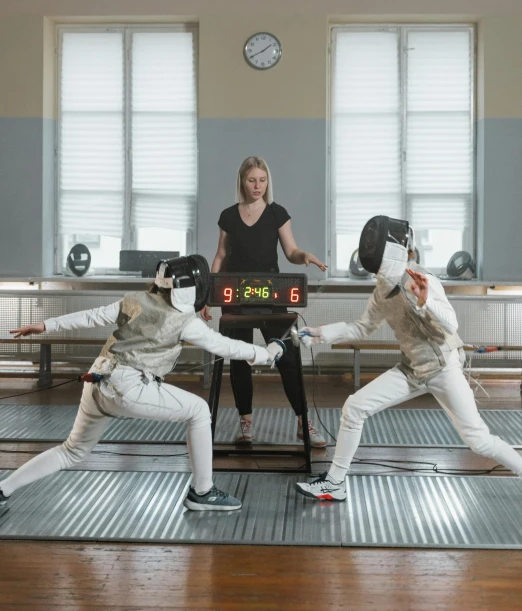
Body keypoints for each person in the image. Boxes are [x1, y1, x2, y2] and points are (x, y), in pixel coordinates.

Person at [0, 255, 283, 514]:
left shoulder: (135, 299)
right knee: (198, 411)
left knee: (72, 451)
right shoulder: (185, 321)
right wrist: (265, 353)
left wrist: (46, 325)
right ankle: (203, 492)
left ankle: (3, 489)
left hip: (97, 379)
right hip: (128, 387)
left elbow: (92, 316)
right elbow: (225, 346)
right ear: (191, 289)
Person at [294, 215, 522, 501]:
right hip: (412, 368)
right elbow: (361, 327)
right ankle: (335, 483)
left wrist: (425, 302)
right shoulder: (382, 291)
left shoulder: (420, 279)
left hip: (443, 368)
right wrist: (320, 333)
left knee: (478, 440)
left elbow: (452, 325)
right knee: (355, 407)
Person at [201, 155, 328, 447]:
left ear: (267, 182)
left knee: (287, 357)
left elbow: (291, 251)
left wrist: (304, 256)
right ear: (242, 182)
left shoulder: (276, 213)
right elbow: (220, 256)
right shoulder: (229, 216)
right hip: (234, 293)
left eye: (262, 180)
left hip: (271, 295)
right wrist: (208, 293)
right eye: (251, 180)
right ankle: (246, 423)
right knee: (239, 360)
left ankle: (302, 422)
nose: (257, 186)